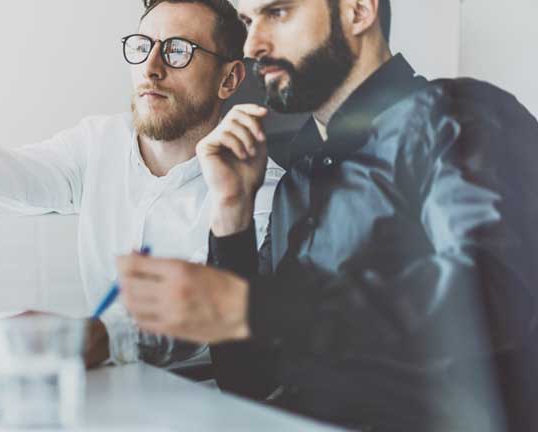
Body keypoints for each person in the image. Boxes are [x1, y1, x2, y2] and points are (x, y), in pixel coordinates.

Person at [117, 0, 538, 429]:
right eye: (248, 21)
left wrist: (257, 309)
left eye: (278, 12)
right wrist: (232, 211)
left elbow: (492, 291)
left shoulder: (458, 118)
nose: (253, 44)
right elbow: (247, 379)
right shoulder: (296, 181)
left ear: (357, 10)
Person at [0, 0, 283, 368]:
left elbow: (216, 307)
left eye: (178, 51)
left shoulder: (260, 185)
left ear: (229, 79)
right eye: (142, 47)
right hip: (112, 391)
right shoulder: (98, 141)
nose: (151, 68)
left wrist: (107, 338)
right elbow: (19, 175)